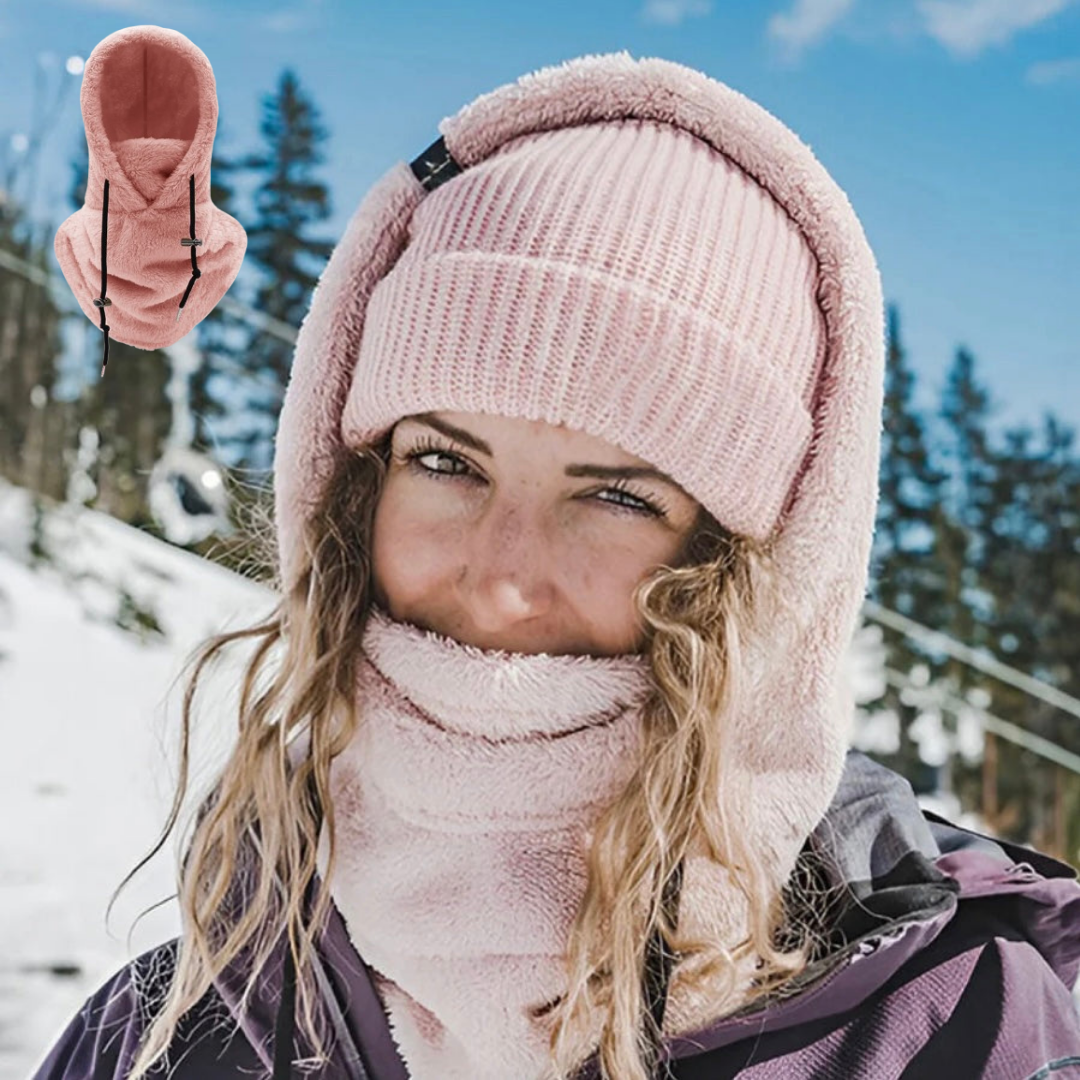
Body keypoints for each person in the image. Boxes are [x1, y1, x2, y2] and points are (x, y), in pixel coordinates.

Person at [32, 50, 1080, 1080]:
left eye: (618, 496)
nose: (503, 582)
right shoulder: (163, 1040)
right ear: (348, 496)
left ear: (757, 575)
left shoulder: (963, 1031)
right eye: (446, 462)